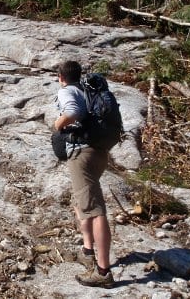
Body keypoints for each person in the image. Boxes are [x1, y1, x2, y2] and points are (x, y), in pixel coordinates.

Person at [53, 60, 114, 288]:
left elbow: (73, 112)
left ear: (61, 76)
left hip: (82, 154)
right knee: (82, 202)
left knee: (95, 209)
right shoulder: (86, 90)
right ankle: (88, 250)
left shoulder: (68, 91)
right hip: (99, 151)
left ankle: (103, 272)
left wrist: (57, 125)